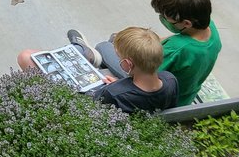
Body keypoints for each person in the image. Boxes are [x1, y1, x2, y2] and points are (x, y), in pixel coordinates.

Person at [62, 0, 221, 108]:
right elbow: (172, 41)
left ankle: (89, 54)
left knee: (104, 46)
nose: (162, 18)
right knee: (119, 39)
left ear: (186, 23)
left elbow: (145, 73)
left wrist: (121, 84)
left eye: (165, 17)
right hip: (183, 94)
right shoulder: (209, 28)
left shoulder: (176, 50)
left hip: (154, 90)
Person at [18, 27, 178, 114]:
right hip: (115, 92)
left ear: (127, 64)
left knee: (26, 57)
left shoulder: (113, 93)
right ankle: (80, 49)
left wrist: (117, 87)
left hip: (87, 100)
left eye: (118, 57)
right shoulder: (170, 80)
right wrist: (121, 83)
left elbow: (87, 111)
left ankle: (80, 49)